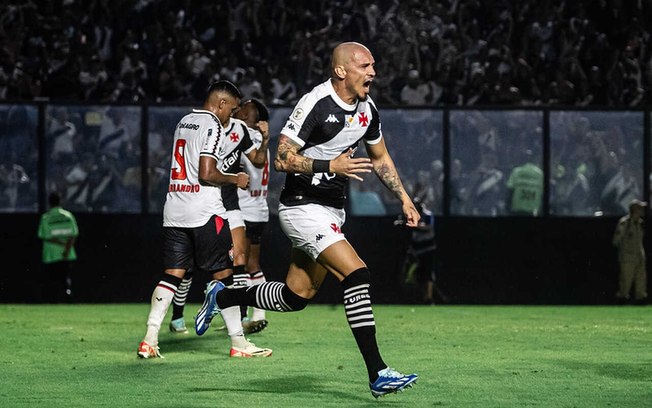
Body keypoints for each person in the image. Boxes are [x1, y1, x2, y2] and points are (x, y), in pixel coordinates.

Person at [195, 42, 419, 398]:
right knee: (356, 273)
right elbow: (282, 157)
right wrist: (329, 165)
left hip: (331, 210)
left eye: (374, 65)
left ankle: (224, 296)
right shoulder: (316, 102)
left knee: (297, 296)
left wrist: (404, 199)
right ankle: (378, 373)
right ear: (341, 70)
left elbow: (380, 157)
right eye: (365, 65)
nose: (373, 72)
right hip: (301, 206)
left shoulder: (368, 109)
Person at [137, 80, 271, 359]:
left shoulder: (185, 121)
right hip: (204, 211)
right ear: (221, 103)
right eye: (232, 109)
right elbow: (207, 173)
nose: (232, 116)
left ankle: (149, 338)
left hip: (175, 208)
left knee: (171, 275)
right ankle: (238, 342)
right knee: (224, 275)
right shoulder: (212, 125)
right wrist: (236, 178)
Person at [169, 97, 270, 337]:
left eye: (245, 113)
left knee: (233, 263)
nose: (239, 114)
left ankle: (238, 314)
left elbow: (251, 161)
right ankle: (181, 315)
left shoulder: (241, 134)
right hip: (235, 208)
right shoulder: (220, 130)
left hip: (234, 208)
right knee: (236, 265)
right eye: (238, 110)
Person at [234, 99, 273, 332]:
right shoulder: (261, 140)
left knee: (239, 265)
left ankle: (242, 315)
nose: (239, 109)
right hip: (260, 209)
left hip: (244, 209)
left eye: (244, 108)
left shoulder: (242, 136)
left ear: (251, 115)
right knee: (253, 265)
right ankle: (257, 313)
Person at [38, 192, 79, 303]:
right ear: (60, 201)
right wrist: (66, 248)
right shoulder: (68, 216)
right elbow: (73, 234)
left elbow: (45, 236)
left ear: (49, 203)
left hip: (51, 254)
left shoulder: (46, 218)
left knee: (51, 278)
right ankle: (67, 296)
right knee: (65, 277)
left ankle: (52, 300)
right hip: (67, 253)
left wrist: (60, 243)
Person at [612, 199, 648, 304]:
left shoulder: (640, 223)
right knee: (626, 282)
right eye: (640, 209)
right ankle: (621, 301)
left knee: (641, 281)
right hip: (627, 257)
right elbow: (616, 241)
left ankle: (640, 300)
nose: (642, 211)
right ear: (635, 210)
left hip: (639, 256)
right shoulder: (625, 223)